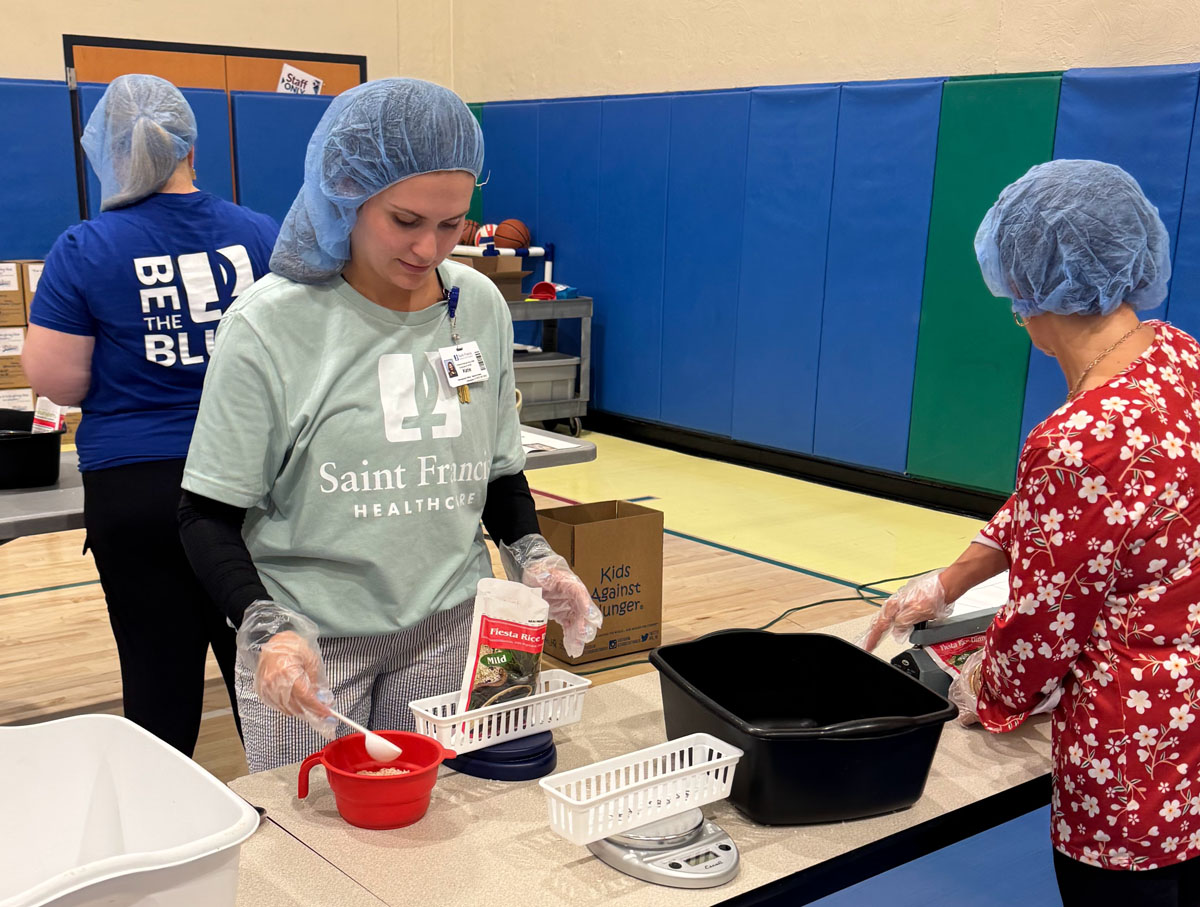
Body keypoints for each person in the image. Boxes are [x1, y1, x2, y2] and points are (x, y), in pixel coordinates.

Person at [177, 77, 601, 772]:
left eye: (451, 224)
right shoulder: (270, 325)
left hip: (446, 628)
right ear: (345, 192)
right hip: (316, 646)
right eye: (405, 222)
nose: (430, 249)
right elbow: (204, 513)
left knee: (434, 829)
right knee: (311, 848)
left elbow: (495, 469)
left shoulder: (479, 307)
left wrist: (535, 554)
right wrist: (267, 626)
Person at [864, 160, 1200, 905]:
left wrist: (981, 687)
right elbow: (1070, 511)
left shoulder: (1076, 435)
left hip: (1131, 758)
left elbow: (1042, 633)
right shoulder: (1179, 358)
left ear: (1031, 300)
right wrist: (949, 582)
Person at [21, 74, 278, 755]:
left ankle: (165, 831)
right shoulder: (261, 236)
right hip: (250, 484)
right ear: (192, 145)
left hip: (139, 489)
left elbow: (57, 382)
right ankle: (292, 834)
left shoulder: (84, 248)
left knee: (158, 685)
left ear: (106, 153)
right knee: (264, 669)